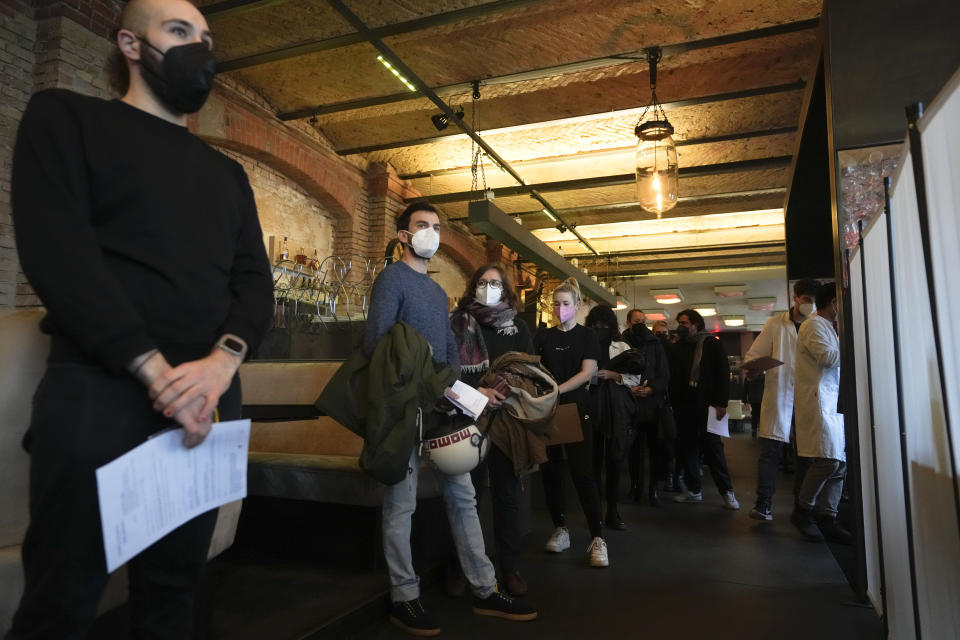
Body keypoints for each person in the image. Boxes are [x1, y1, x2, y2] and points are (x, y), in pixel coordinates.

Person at [7, 1, 275, 636]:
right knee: (61, 599)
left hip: (209, 403)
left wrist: (218, 366)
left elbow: (253, 283)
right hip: (99, 391)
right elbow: (58, 254)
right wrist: (155, 372)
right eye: (178, 32)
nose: (199, 50)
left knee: (174, 597)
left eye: (206, 39)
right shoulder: (65, 117)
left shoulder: (227, 174)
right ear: (129, 42)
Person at [364, 202, 536, 635]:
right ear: (403, 235)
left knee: (464, 499)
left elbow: (449, 361)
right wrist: (417, 388)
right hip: (403, 412)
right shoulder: (391, 280)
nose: (431, 233)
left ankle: (484, 587)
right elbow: (376, 348)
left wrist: (466, 395)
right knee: (400, 506)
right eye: (422, 226)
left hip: (443, 411)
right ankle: (404, 597)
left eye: (436, 227)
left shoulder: (439, 294)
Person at [450, 263, 535, 597]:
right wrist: (478, 393)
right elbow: (449, 369)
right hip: (467, 417)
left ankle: (510, 568)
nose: (488, 287)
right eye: (482, 282)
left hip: (506, 419)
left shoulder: (518, 327)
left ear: (506, 289)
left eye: (495, 283)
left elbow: (528, 370)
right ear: (473, 287)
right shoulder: (459, 323)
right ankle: (460, 566)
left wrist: (504, 391)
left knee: (506, 495)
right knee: (465, 497)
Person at [535, 279, 609, 567]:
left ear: (577, 306)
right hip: (548, 410)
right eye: (556, 303)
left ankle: (597, 536)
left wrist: (558, 390)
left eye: (566, 303)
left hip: (576, 409)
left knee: (583, 472)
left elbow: (588, 371)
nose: (560, 308)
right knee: (551, 470)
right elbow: (535, 368)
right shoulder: (542, 336)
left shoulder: (587, 336)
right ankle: (560, 527)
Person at [743, 278, 820, 521]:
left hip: (809, 397)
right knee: (770, 452)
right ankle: (763, 504)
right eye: (806, 300)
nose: (810, 305)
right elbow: (754, 355)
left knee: (806, 454)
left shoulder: (819, 326)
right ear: (795, 297)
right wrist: (753, 368)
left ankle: (801, 508)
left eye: (814, 302)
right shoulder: (775, 324)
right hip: (781, 395)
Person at [792, 282, 852, 544]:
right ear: (834, 301)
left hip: (832, 401)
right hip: (818, 402)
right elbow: (828, 357)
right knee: (827, 460)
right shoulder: (814, 325)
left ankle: (829, 517)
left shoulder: (828, 326)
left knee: (839, 463)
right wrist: (851, 342)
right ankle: (803, 510)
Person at [669, 309, 740, 509]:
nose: (680, 326)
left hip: (708, 404)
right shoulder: (679, 346)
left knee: (713, 449)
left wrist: (721, 403)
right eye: (679, 323)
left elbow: (722, 374)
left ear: (696, 324)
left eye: (684, 323)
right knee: (688, 448)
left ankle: (727, 491)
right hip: (684, 405)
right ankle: (694, 489)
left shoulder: (711, 344)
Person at [586, 305, 643, 529]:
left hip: (615, 411)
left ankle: (612, 511)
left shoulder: (621, 347)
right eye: (595, 325)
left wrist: (612, 375)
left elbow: (635, 378)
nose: (598, 328)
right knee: (592, 464)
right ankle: (596, 513)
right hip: (591, 408)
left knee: (614, 461)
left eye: (603, 325)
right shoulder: (585, 345)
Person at [621, 312, 671, 507]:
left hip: (652, 404)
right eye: (636, 321)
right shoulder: (622, 343)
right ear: (628, 323)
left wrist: (651, 389)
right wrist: (630, 388)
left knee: (655, 449)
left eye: (643, 321)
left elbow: (664, 373)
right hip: (631, 404)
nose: (640, 324)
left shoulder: (655, 344)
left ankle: (652, 488)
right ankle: (635, 487)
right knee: (633, 450)